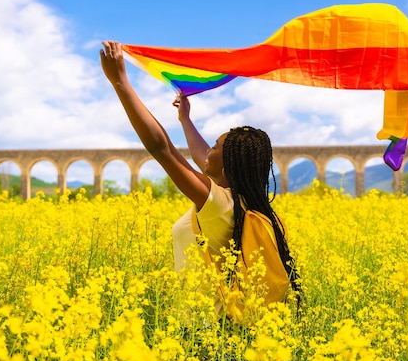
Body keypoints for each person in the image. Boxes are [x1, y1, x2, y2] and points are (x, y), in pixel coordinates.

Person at [100, 40, 298, 314]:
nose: (208, 151)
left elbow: (162, 149)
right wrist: (185, 119)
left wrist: (120, 82)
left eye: (215, 147)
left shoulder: (217, 205)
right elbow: (200, 155)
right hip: (220, 331)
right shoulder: (243, 206)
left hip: (205, 334)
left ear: (227, 166)